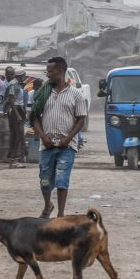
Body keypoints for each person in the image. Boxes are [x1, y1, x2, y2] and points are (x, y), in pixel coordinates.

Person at [33, 57, 86, 218]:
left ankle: (61, 215)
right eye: (47, 71)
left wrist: (68, 139)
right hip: (46, 145)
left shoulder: (76, 95)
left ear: (60, 72)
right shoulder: (43, 93)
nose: (48, 75)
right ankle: (48, 205)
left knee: (62, 179)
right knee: (45, 180)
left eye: (51, 71)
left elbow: (81, 119)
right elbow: (34, 117)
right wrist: (43, 137)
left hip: (66, 146)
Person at [4, 68, 28, 169]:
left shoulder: (17, 84)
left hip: (18, 110)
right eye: (24, 75)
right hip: (15, 112)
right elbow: (11, 100)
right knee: (17, 135)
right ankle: (14, 160)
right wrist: (17, 114)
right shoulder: (13, 84)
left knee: (18, 135)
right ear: (20, 75)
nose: (25, 77)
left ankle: (14, 159)